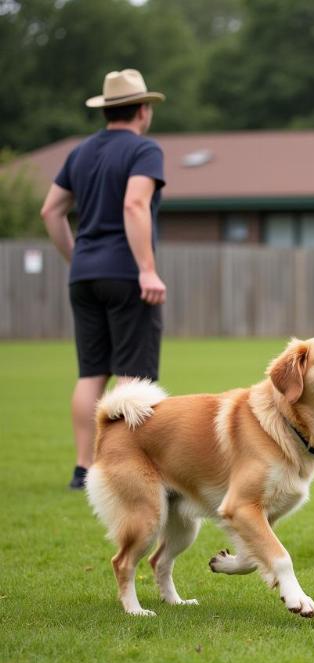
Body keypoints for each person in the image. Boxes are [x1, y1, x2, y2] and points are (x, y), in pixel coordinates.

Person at [40, 69, 167, 489]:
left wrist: (76, 258)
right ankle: (122, 465)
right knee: (132, 372)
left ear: (108, 109)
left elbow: (51, 211)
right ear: (143, 110)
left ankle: (84, 468)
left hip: (85, 276)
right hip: (126, 274)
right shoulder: (144, 150)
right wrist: (146, 268)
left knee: (91, 372)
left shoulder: (79, 152)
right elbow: (135, 205)